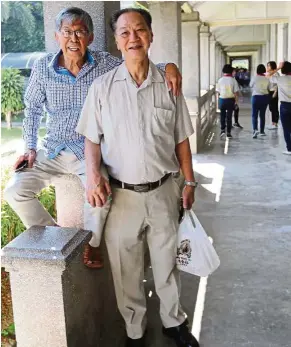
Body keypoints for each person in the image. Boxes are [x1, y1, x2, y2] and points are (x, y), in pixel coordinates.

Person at [3, 7, 182, 269]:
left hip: (89, 150)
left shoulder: (105, 64)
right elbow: (32, 110)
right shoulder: (42, 68)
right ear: (57, 36)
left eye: (80, 32)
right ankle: (53, 232)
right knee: (15, 191)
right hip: (52, 149)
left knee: (100, 198)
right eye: (67, 32)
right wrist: (29, 148)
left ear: (90, 37)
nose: (73, 39)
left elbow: (139, 63)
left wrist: (168, 66)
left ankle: (92, 244)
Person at [76, 7, 199, 347]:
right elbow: (90, 138)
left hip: (163, 192)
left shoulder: (169, 83)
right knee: (125, 270)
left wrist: (189, 183)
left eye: (140, 30)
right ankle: (135, 331)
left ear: (151, 36)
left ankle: (174, 324)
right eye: (125, 32)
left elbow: (181, 139)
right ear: (117, 41)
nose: (133, 37)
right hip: (122, 197)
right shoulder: (102, 88)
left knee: (167, 264)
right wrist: (91, 177)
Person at [267, 61, 291, 155]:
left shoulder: (280, 79)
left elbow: (268, 76)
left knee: (286, 128)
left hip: (285, 105)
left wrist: (278, 68)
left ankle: (289, 148)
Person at [216, 64, 240, 138]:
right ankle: (228, 133)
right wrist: (236, 102)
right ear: (231, 71)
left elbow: (218, 92)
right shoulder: (233, 80)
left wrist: (218, 102)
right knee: (229, 117)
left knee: (222, 115)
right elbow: (236, 93)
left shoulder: (220, 80)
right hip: (230, 100)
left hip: (222, 100)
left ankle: (223, 130)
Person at [249, 64, 270, 138]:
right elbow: (269, 88)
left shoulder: (254, 78)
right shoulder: (267, 78)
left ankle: (255, 130)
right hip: (264, 97)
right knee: (262, 115)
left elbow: (250, 85)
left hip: (256, 97)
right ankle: (262, 131)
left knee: (254, 115)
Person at [266, 61, 280, 130]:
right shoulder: (269, 74)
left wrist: (275, 92)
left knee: (274, 107)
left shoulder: (276, 74)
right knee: (271, 107)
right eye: (267, 65)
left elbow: (278, 84)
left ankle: (275, 123)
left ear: (273, 66)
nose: (268, 67)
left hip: (274, 92)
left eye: (269, 66)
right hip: (269, 92)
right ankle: (273, 123)